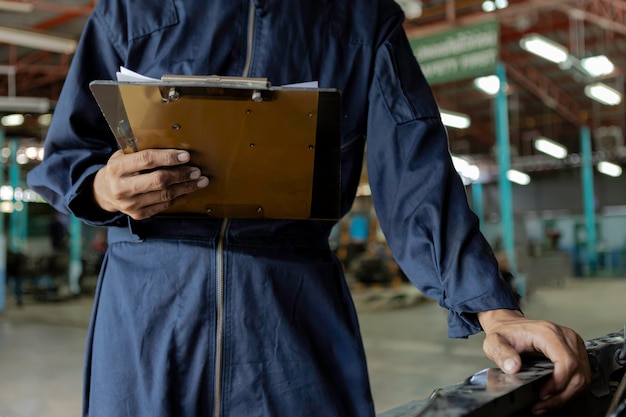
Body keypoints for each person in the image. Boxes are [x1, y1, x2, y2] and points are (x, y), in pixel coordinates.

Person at [27, 1, 590, 416]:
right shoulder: (132, 9)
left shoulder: (362, 20)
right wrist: (102, 188)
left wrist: (495, 311)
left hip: (289, 312)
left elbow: (416, 175)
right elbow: (67, 156)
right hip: (149, 309)